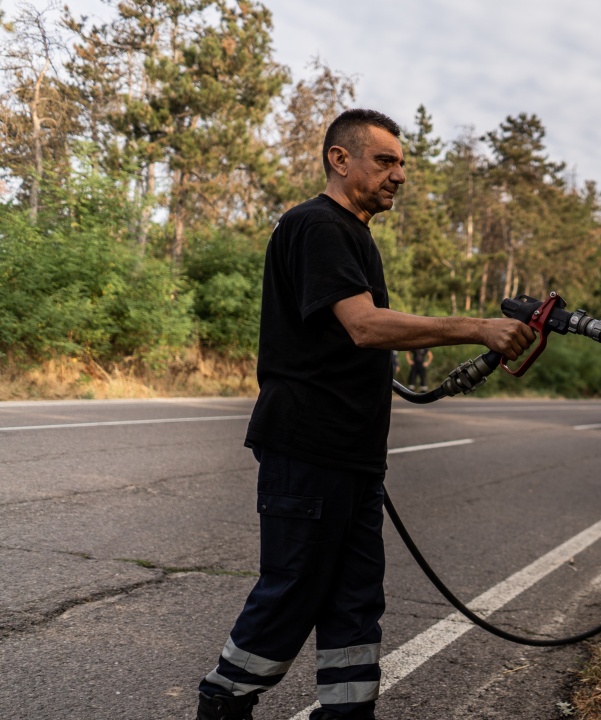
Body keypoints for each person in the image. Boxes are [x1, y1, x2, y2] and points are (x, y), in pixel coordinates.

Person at [195, 109, 534, 720]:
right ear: (339, 159)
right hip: (309, 448)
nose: (399, 174)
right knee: (294, 591)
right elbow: (364, 325)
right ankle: (224, 701)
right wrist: (477, 327)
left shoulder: (353, 235)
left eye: (402, 163)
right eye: (385, 161)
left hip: (351, 458)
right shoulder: (317, 226)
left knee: (354, 603)